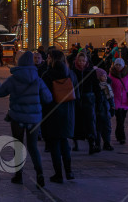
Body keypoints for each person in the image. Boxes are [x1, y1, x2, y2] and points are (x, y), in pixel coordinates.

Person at [0, 51, 53, 187]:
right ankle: (40, 174)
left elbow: (0, 92)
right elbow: (48, 98)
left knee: (18, 146)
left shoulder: (13, 79)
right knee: (33, 147)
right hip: (34, 118)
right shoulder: (37, 79)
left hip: (17, 117)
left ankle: (18, 175)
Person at [41, 49, 78, 184]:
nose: (47, 60)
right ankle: (69, 172)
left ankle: (58, 174)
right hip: (67, 114)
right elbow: (76, 96)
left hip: (52, 114)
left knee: (54, 145)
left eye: (49, 57)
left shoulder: (47, 75)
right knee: (64, 143)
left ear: (53, 59)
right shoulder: (71, 75)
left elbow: (44, 97)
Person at [71, 52, 99, 154]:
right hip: (77, 100)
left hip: (88, 99)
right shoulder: (73, 72)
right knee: (76, 122)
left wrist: (98, 100)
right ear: (76, 61)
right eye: (80, 61)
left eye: (83, 61)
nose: (81, 63)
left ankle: (92, 144)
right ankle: (76, 143)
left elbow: (96, 87)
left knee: (90, 123)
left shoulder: (90, 71)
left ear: (86, 61)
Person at [109, 58, 128, 145]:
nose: (118, 66)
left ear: (123, 65)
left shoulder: (127, 74)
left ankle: (118, 134)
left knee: (122, 120)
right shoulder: (111, 75)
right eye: (116, 65)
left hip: (125, 101)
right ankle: (122, 137)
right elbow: (109, 87)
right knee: (120, 119)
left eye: (119, 65)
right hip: (116, 101)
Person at [93, 68, 115, 151]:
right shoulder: (96, 87)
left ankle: (107, 143)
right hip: (98, 111)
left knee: (107, 128)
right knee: (97, 128)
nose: (105, 77)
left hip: (106, 110)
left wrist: (112, 107)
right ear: (98, 77)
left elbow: (111, 98)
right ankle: (97, 144)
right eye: (103, 76)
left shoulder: (107, 86)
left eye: (105, 75)